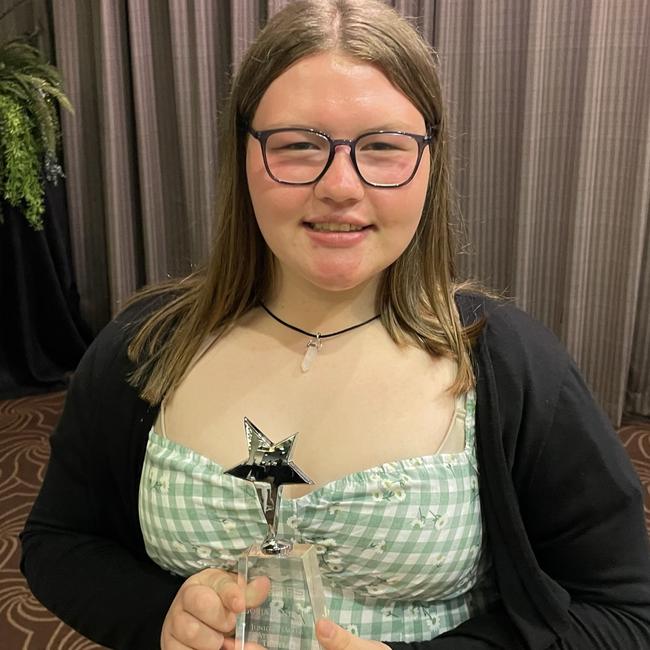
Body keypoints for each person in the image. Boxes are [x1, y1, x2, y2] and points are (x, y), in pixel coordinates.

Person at [20, 1, 650, 648]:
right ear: (242, 158)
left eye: (383, 147)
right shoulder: (144, 349)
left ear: (431, 162)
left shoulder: (514, 367)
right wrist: (159, 616)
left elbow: (625, 612)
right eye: (298, 146)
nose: (341, 185)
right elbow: (58, 543)